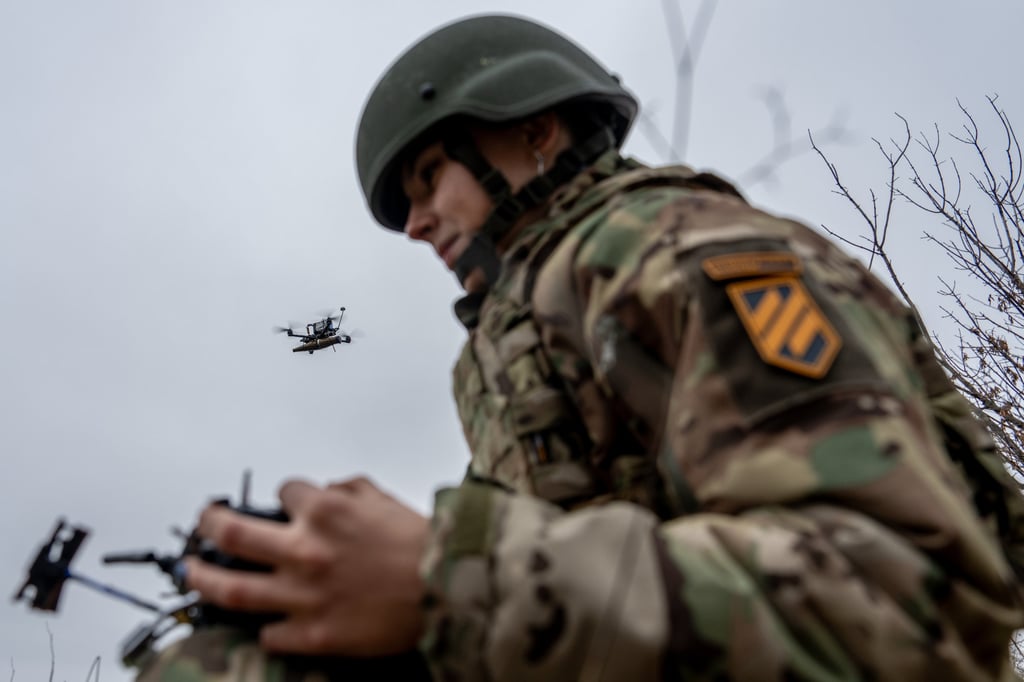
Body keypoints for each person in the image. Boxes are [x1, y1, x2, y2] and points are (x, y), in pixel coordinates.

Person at [138, 13, 1024, 681]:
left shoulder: (673, 251)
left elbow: (901, 602)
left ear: (533, 131)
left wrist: (445, 575)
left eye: (427, 178)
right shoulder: (520, 325)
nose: (412, 224)